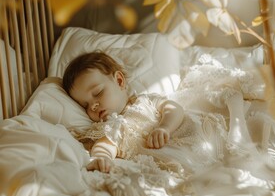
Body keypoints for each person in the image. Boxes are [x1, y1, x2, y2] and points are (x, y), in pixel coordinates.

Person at [63, 51, 255, 174]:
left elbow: (174, 109)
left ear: (119, 81)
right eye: (85, 105)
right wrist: (100, 159)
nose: (93, 107)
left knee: (226, 152)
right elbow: (104, 146)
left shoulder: (146, 101)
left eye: (97, 93)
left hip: (192, 135)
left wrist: (164, 127)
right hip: (175, 160)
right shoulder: (113, 126)